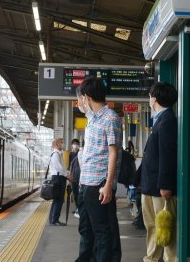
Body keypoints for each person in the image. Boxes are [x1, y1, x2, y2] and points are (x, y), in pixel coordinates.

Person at [75, 77, 122, 262]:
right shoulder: (92, 120)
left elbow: (113, 153)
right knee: (86, 229)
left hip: (99, 185)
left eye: (80, 98)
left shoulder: (110, 118)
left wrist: (108, 184)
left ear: (87, 98)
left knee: (103, 232)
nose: (80, 102)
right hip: (85, 184)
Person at [141, 82, 178, 262]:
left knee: (166, 227)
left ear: (155, 98)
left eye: (150, 96)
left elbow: (167, 154)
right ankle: (151, 259)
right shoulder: (160, 119)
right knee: (152, 226)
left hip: (159, 187)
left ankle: (169, 259)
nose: (149, 99)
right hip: (150, 185)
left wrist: (165, 185)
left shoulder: (168, 120)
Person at [49, 138, 67, 226]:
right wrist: (67, 174)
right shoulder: (56, 154)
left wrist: (66, 173)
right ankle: (54, 220)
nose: (63, 144)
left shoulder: (58, 154)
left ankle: (53, 219)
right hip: (58, 178)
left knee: (57, 200)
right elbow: (58, 167)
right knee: (58, 200)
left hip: (59, 178)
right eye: (61, 142)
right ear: (57, 144)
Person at [68, 138, 81, 218]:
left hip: (80, 176)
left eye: (76, 144)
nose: (75, 145)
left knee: (80, 194)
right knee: (75, 194)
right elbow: (70, 165)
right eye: (74, 144)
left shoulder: (80, 153)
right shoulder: (70, 154)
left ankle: (80, 209)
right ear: (72, 145)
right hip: (73, 176)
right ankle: (77, 208)